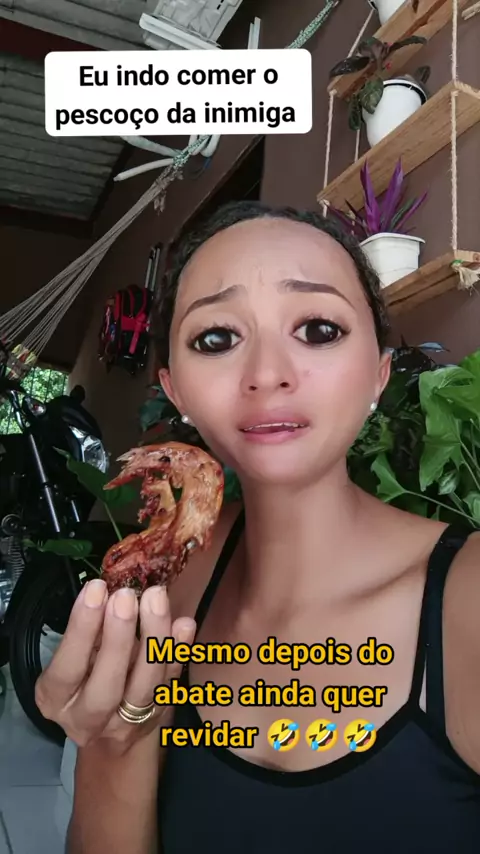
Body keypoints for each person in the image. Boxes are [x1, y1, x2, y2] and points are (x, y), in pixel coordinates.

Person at [35, 201, 480, 854]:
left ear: (379, 373)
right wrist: (114, 739)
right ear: (176, 391)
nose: (268, 374)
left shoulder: (468, 599)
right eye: (216, 339)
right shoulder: (176, 578)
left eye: (319, 329)